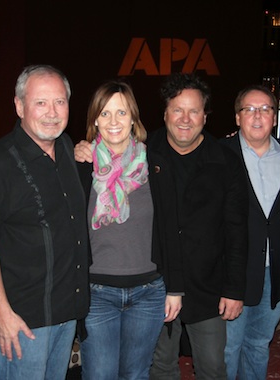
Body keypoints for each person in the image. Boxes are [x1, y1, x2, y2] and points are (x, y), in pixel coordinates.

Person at [0, 65, 90, 380]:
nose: (52, 112)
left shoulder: (66, 149)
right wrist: (2, 313)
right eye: (41, 102)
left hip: (65, 313)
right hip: (22, 323)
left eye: (60, 102)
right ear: (19, 106)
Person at [76, 80, 182, 379]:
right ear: (95, 119)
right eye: (105, 113)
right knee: (99, 375)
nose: (113, 122)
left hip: (149, 293)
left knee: (135, 375)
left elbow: (171, 229)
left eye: (121, 113)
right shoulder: (81, 166)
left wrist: (174, 288)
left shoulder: (156, 166)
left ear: (133, 118)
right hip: (96, 294)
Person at [146, 73, 248, 379]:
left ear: (205, 116)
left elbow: (237, 230)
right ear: (165, 113)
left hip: (209, 288)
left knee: (213, 368)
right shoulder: (142, 153)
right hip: (156, 285)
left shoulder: (226, 162)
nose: (185, 119)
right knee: (161, 367)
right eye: (178, 110)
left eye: (194, 111)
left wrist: (234, 289)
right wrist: (84, 151)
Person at [221, 85, 280, 380]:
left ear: (275, 117)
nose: (257, 116)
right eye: (249, 109)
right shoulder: (218, 153)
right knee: (228, 348)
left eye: (265, 109)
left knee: (259, 345)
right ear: (237, 118)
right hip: (233, 273)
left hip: (274, 272)